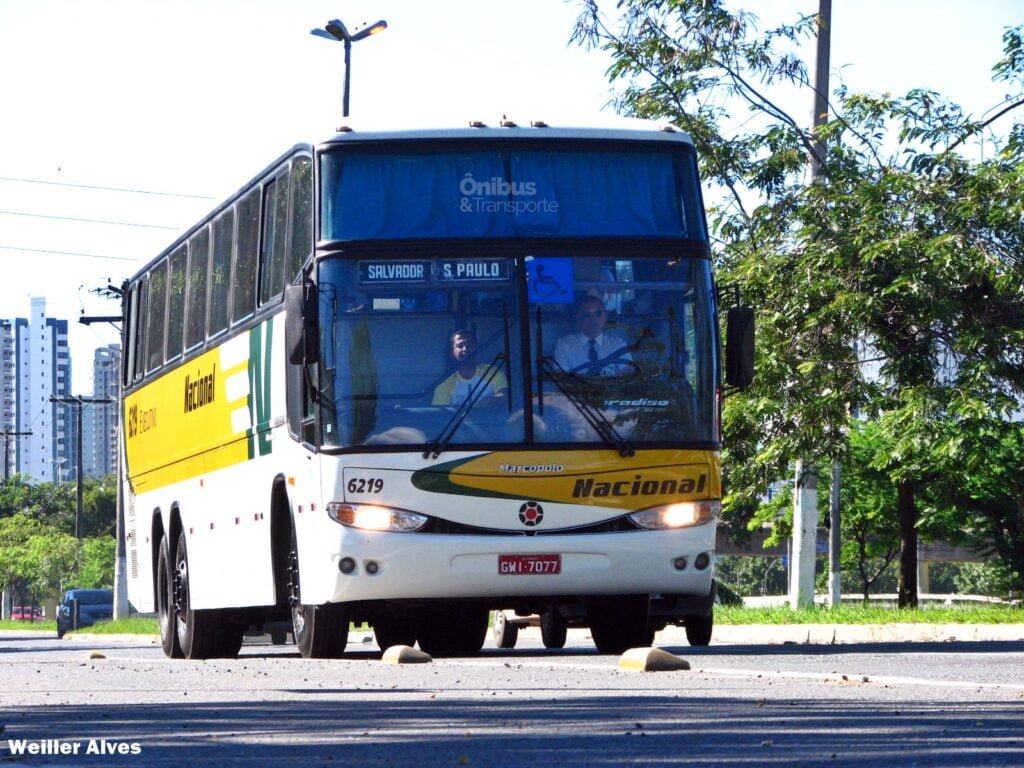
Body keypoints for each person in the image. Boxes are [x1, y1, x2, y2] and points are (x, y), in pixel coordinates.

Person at [553, 295, 633, 376]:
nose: (592, 319)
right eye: (586, 315)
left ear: (605, 316)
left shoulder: (618, 344)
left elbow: (628, 374)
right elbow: (561, 377)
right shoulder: (564, 345)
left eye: (598, 313)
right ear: (578, 317)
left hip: (611, 388)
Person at [432, 329, 508, 405]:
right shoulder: (445, 382)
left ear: (477, 349)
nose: (465, 349)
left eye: (470, 345)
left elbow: (505, 397)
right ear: (452, 353)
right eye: (460, 346)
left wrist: (490, 400)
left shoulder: (492, 372)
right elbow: (440, 413)